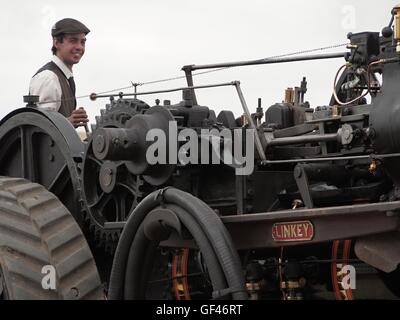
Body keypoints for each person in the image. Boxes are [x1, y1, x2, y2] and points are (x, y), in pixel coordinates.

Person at [29, 18, 89, 128]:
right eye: (73, 41)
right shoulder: (48, 78)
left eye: (82, 42)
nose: (79, 47)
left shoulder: (65, 77)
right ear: (56, 43)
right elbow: (39, 127)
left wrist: (71, 121)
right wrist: (69, 122)